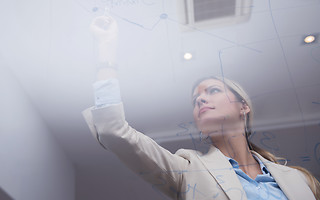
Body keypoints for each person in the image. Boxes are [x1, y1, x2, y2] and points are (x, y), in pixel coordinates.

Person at [82, 15, 320, 200]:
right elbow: (114, 131)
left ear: (243, 106)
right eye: (195, 99)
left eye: (213, 91)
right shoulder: (188, 170)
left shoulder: (301, 180)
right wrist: (106, 47)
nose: (200, 100)